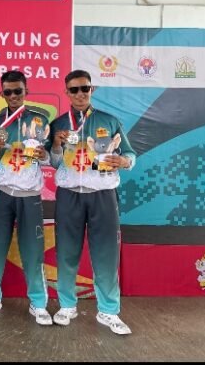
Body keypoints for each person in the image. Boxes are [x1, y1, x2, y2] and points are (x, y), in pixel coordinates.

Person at [47, 69, 136, 335]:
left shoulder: (109, 121)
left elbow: (129, 152)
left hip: (102, 195)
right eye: (74, 89)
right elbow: (53, 162)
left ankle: (108, 311)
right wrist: (56, 145)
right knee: (66, 252)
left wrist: (124, 161)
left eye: (84, 88)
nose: (80, 94)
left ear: (91, 89)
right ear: (66, 92)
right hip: (69, 195)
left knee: (106, 254)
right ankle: (67, 306)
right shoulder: (58, 124)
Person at [0, 71, 52, 324]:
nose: (13, 96)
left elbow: (52, 158)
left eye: (17, 91)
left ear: (26, 91)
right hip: (0, 193)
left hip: (29, 194)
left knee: (33, 251)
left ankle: (38, 303)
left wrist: (44, 156)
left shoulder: (41, 120)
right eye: (8, 92)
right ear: (2, 94)